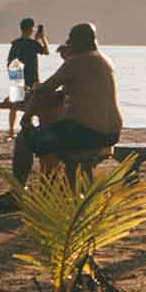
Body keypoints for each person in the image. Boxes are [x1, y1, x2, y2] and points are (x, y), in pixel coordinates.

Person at [12, 22, 124, 184]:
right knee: (59, 133)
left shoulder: (77, 61)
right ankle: (68, 188)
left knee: (24, 138)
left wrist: (26, 118)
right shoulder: (103, 59)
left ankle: (18, 189)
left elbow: (44, 90)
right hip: (111, 132)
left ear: (80, 41)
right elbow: (74, 90)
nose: (68, 42)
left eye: (71, 39)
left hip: (87, 132)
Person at [6, 17, 47, 138]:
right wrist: (42, 38)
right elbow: (46, 51)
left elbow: (10, 61)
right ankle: (33, 127)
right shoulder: (32, 43)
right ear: (31, 29)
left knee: (14, 104)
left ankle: (11, 131)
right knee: (35, 103)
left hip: (17, 76)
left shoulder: (16, 43)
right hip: (31, 77)